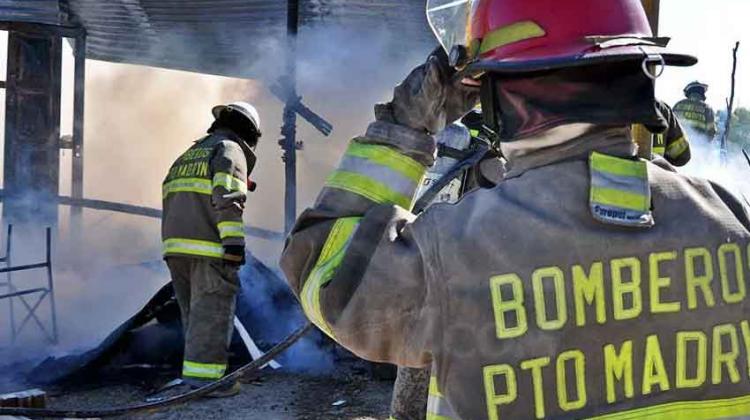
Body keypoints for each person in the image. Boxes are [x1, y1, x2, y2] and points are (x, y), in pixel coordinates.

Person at [281, 1, 750, 419]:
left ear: (502, 94)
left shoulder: (454, 252)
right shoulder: (731, 217)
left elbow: (320, 267)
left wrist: (406, 126)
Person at [161, 102, 260, 397]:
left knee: (194, 315)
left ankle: (196, 376)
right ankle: (207, 383)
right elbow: (228, 197)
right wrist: (233, 244)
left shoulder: (189, 154)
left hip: (176, 247)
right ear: (250, 132)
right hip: (208, 246)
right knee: (213, 313)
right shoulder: (230, 150)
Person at [634, 100, 692, 166]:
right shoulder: (662, 110)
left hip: (625, 174)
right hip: (655, 174)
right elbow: (683, 156)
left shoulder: (622, 107)